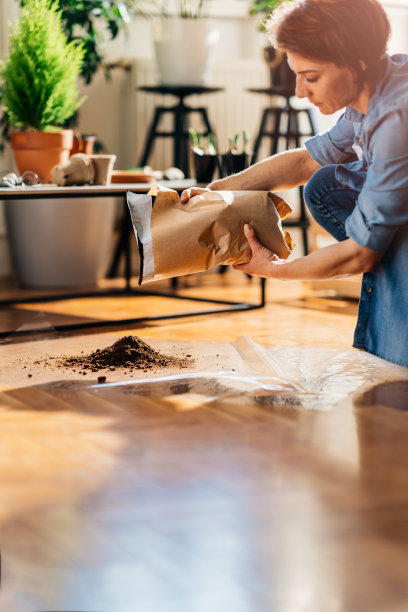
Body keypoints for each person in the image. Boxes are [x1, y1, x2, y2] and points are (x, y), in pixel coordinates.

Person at [180, 0, 408, 368]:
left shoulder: (397, 118)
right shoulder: (376, 86)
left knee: (375, 246)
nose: (300, 92)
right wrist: (220, 189)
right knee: (325, 184)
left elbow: (360, 253)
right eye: (297, 75)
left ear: (357, 63)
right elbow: (306, 160)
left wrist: (275, 270)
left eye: (312, 77)